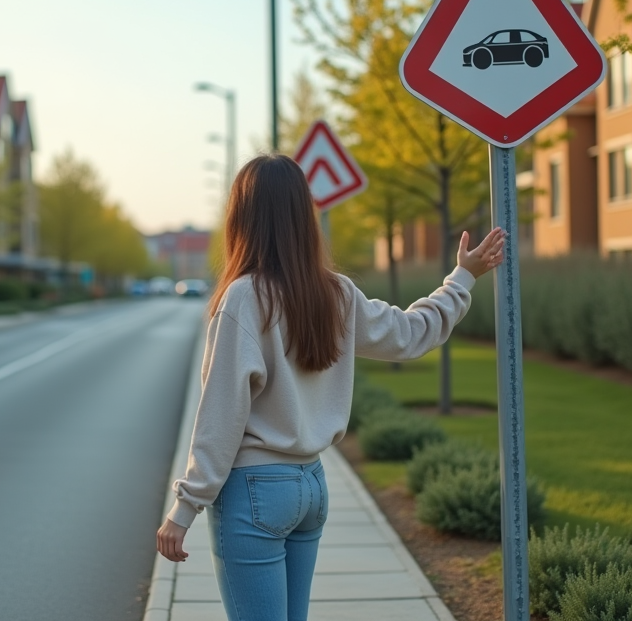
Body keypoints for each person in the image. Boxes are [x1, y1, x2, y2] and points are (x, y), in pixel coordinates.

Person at [155, 153, 505, 621]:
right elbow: (410, 333)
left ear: (242, 219)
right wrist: (462, 278)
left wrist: (185, 508)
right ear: (304, 216)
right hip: (311, 487)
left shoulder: (242, 299)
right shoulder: (337, 293)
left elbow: (221, 414)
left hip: (254, 490)